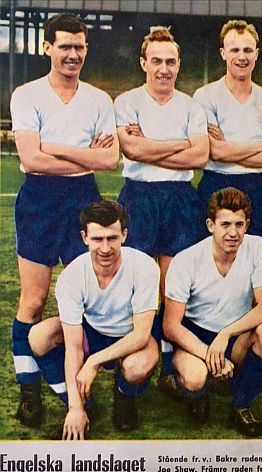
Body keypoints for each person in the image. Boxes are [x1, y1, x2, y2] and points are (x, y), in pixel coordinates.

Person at [9, 13, 119, 427]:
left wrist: (56, 147)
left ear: (86, 50)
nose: (72, 54)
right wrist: (80, 153)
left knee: (82, 299)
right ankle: (31, 392)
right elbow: (31, 158)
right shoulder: (27, 94)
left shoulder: (98, 99)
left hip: (83, 199)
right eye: (65, 46)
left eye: (79, 47)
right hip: (38, 199)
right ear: (47, 48)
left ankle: (73, 384)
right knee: (34, 301)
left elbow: (110, 160)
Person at [114, 26, 209, 397]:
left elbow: (200, 156)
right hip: (138, 197)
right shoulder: (126, 101)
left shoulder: (192, 105)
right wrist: (179, 143)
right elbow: (132, 152)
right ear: (144, 63)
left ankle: (170, 364)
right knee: (138, 281)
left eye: (170, 61)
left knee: (173, 284)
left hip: (180, 197)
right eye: (156, 61)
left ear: (179, 64)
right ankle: (135, 358)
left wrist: (149, 143)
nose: (164, 69)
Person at [27, 200, 160, 439]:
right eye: (98, 239)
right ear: (84, 237)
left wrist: (93, 363)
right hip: (91, 333)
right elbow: (74, 347)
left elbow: (141, 335)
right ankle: (82, 403)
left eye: (112, 238)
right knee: (38, 337)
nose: (106, 248)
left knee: (138, 366)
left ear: (124, 235)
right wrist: (74, 407)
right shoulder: (72, 276)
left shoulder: (144, 267)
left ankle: (124, 395)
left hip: (129, 336)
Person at [163, 188, 262, 437]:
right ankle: (196, 390)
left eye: (239, 224)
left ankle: (242, 404)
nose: (233, 232)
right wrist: (210, 354)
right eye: (225, 224)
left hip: (235, 332)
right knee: (195, 378)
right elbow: (171, 325)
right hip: (195, 333)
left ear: (247, 224)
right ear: (210, 225)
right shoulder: (187, 260)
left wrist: (225, 334)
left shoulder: (258, 248)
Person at [193, 19, 262, 240]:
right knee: (211, 255)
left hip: (254, 188)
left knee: (251, 254)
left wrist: (229, 148)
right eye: (234, 50)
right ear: (223, 53)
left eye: (247, 50)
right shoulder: (205, 96)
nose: (241, 56)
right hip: (215, 182)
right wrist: (260, 145)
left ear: (256, 54)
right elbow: (215, 152)